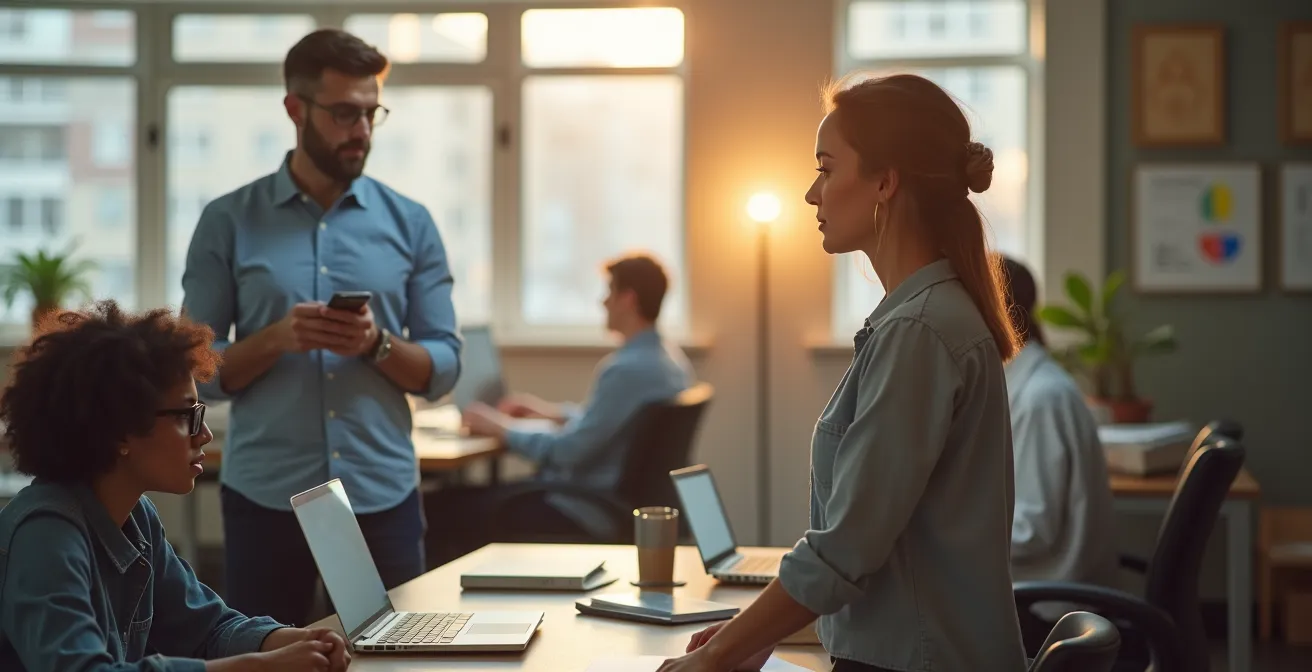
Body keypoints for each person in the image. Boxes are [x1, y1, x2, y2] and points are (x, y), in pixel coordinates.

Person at [657, 74, 1028, 672]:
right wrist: (753, 635)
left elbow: (846, 550)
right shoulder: (919, 320)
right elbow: (878, 550)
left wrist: (716, 657)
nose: (811, 193)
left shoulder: (919, 333)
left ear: (884, 181)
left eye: (826, 169)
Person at [181, 29, 461, 627]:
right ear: (294, 109)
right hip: (265, 498)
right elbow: (194, 372)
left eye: (370, 113)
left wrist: (376, 344)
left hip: (382, 496)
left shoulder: (412, 224)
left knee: (394, 663)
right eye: (343, 114)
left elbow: (444, 368)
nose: (360, 131)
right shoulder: (228, 221)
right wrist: (277, 339)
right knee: (266, 659)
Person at [0, 301, 350, 672]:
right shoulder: (45, 536)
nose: (206, 434)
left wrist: (293, 641)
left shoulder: (136, 517)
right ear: (119, 429)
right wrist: (261, 666)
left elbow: (208, 629)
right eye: (188, 416)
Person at [432, 253, 693, 565]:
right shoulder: (670, 362)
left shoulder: (626, 369)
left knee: (442, 508)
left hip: (583, 508)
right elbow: (608, 424)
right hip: (612, 501)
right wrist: (550, 412)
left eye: (609, 292)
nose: (603, 302)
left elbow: (571, 451)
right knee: (469, 498)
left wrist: (500, 428)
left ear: (628, 299)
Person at [1000, 256, 1118, 646]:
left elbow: (1033, 529)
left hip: (1047, 610)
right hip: (1043, 594)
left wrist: (948, 528)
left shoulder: (1039, 400)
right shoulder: (1031, 384)